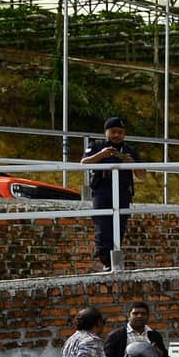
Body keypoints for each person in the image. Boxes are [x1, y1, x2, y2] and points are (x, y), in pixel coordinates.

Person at [80, 116, 138, 272]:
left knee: (119, 227)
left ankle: (115, 261)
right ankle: (106, 262)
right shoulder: (97, 146)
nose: (117, 135)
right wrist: (102, 155)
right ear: (106, 132)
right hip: (102, 192)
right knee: (103, 228)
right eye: (113, 132)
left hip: (123, 193)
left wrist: (129, 162)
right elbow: (83, 163)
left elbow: (142, 174)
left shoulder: (129, 150)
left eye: (120, 132)